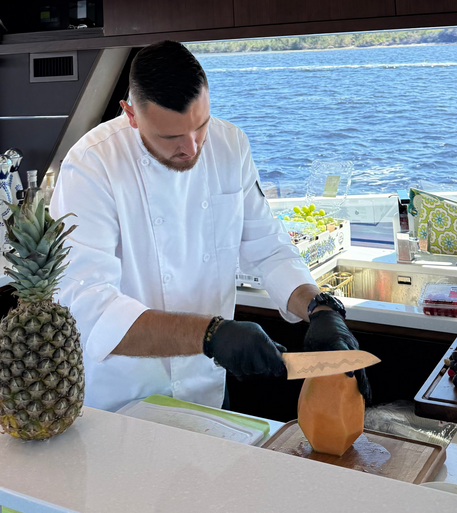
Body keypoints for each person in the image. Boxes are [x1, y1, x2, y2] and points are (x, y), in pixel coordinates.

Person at [51, 40, 369, 412]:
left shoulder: (229, 144)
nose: (191, 148)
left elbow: (268, 248)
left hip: (206, 390)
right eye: (170, 137)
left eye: (200, 126)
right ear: (131, 113)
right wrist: (211, 334)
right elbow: (90, 307)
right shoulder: (91, 165)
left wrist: (319, 308)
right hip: (123, 400)